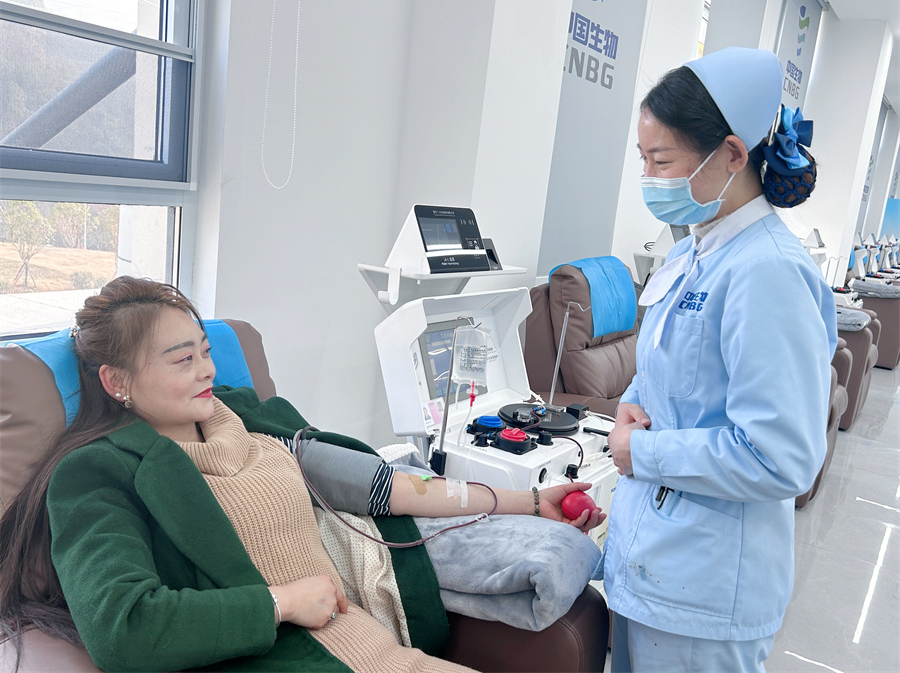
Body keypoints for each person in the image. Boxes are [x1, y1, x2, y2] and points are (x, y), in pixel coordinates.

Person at [0, 276, 604, 672]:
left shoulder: (253, 421)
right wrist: (279, 603)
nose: (207, 370)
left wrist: (531, 502)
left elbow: (388, 486)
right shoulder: (97, 473)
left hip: (380, 649)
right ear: (116, 382)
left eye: (205, 351)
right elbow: (123, 627)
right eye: (183, 360)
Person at [602, 47, 837, 672]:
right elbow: (666, 372)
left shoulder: (769, 274)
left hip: (705, 592)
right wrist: (631, 405)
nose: (649, 178)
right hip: (652, 565)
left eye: (662, 161)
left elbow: (781, 456)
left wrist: (642, 453)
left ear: (733, 154)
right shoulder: (694, 251)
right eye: (642, 159)